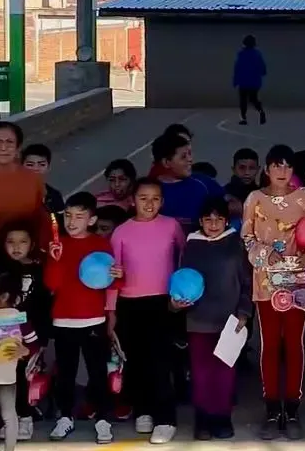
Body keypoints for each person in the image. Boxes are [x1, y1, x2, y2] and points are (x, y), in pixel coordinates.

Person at [240, 144, 305, 440]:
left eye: (287, 166)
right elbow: (247, 236)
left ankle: (293, 409)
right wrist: (263, 253)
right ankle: (272, 409)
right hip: (266, 284)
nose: (282, 171)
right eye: (276, 165)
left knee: (294, 344)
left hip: (298, 283)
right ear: (267, 169)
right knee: (270, 345)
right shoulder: (254, 199)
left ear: (293, 170)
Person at [107, 179, 186, 444]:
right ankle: (143, 409)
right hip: (129, 303)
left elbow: (185, 258)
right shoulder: (121, 232)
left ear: (162, 201)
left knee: (161, 361)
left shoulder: (171, 226)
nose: (149, 204)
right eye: (143, 198)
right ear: (133, 201)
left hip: (162, 302)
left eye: (155, 198)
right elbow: (113, 274)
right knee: (136, 360)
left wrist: (182, 291)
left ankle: (166, 419)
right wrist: (111, 311)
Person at [175, 196, 252, 440]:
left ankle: (222, 417)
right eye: (208, 219)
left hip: (228, 321)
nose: (214, 224)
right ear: (200, 221)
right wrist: (176, 303)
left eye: (219, 219)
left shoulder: (236, 244)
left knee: (224, 371)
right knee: (201, 372)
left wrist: (244, 312)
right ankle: (203, 418)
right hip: (197, 319)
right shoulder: (190, 244)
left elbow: (247, 281)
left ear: (227, 221)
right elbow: (180, 278)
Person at [44, 192, 115, 443]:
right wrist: (55, 260)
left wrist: (120, 276)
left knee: (98, 371)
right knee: (65, 372)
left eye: (79, 216)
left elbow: (111, 282)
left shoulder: (101, 244)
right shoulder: (58, 244)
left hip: (94, 318)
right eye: (68, 216)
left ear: (92, 220)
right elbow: (51, 284)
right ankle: (65, 416)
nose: (72, 221)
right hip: (63, 319)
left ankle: (103, 419)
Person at [0, 222, 49, 442]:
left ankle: (25, 418)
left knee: (22, 375)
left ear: (32, 244)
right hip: (4, 333)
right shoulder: (0, 271)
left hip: (31, 335)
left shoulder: (40, 270)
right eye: (10, 242)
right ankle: (6, 420)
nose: (16, 247)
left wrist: (41, 339)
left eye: (22, 242)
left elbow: (45, 305)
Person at [0, 269, 36, 451]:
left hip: (7, 379)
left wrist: (24, 351)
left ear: (4, 296)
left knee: (9, 415)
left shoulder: (19, 319)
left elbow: (34, 344)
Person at [0, 122, 50, 248]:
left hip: (22, 251)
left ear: (18, 148)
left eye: (9, 142)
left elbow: (40, 217)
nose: (4, 148)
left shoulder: (33, 179)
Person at [152, 134, 224, 234]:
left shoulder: (203, 182)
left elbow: (229, 203)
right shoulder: (150, 191)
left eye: (189, 154)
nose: (190, 159)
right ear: (166, 163)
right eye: (183, 157)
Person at [21, 143, 64, 223]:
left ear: (48, 167)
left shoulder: (55, 196)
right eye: (30, 165)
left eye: (42, 164)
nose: (36, 169)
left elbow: (60, 224)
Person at [232, 34, 266, 125]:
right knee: (253, 99)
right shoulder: (257, 54)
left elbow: (237, 68)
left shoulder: (241, 54)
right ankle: (261, 111)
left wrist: (235, 81)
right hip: (255, 81)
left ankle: (243, 118)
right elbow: (262, 67)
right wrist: (262, 72)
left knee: (243, 100)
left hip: (243, 81)